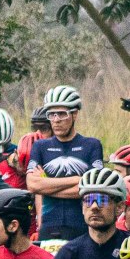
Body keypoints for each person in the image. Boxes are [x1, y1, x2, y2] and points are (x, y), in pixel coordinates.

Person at [24, 85, 104, 242]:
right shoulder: (40, 147)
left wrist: (46, 186)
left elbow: (93, 188)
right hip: (49, 225)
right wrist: (78, 180)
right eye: (51, 114)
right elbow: (33, 185)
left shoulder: (92, 145)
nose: (56, 120)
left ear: (74, 114)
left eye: (62, 114)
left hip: (83, 225)